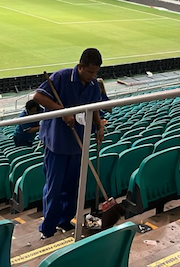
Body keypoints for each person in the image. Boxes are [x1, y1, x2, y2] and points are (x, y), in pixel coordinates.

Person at [33, 48, 104, 239]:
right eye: (89, 72)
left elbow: (95, 107)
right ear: (80, 66)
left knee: (72, 186)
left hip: (79, 142)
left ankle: (65, 220)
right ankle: (47, 228)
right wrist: (62, 111)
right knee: (54, 187)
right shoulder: (61, 77)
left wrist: (99, 126)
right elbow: (38, 97)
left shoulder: (92, 85)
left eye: (95, 72)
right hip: (56, 142)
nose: (92, 76)